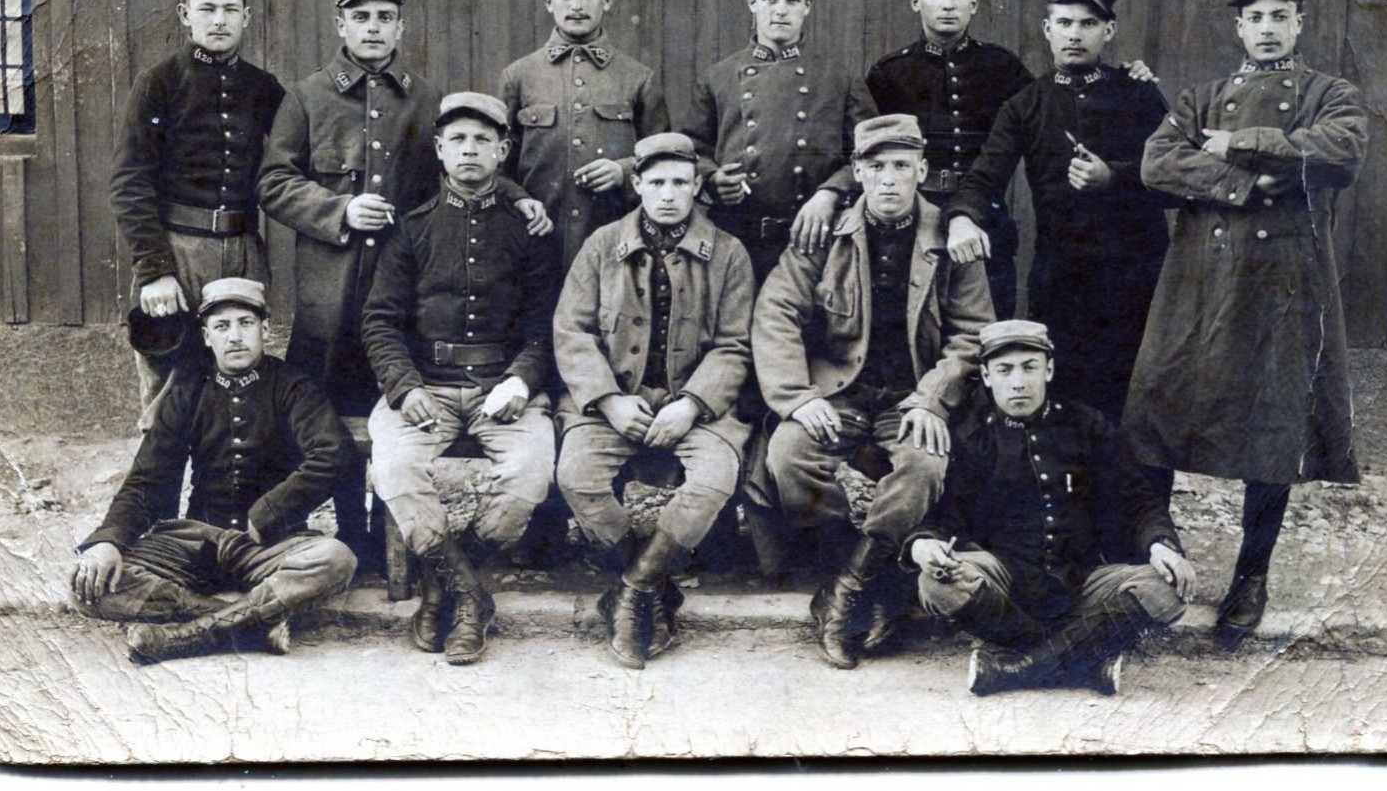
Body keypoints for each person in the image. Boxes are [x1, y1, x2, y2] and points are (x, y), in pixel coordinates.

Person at [257, 0, 547, 565]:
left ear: (400, 26)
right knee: (330, 421)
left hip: (407, 297)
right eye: (359, 17)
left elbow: (467, 168)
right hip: (330, 294)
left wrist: (519, 198)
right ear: (340, 24)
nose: (372, 29)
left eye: (383, 18)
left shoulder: (427, 98)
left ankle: (396, 538)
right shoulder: (308, 97)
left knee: (390, 411)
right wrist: (338, 208)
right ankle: (350, 534)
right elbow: (273, 181)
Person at [1124, 0, 1368, 642]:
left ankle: (1250, 576)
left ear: (1297, 22)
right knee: (1155, 402)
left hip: (1282, 280)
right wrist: (1250, 183)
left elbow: (1340, 152)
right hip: (1200, 276)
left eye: (1277, 15)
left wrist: (1239, 142)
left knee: (1272, 426)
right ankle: (1157, 550)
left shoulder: (1329, 93)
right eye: (1253, 16)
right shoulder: (1201, 97)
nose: (1265, 28)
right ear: (1236, 25)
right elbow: (1156, 163)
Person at [750, 114, 994, 669]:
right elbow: (776, 313)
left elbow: (971, 335)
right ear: (857, 171)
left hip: (914, 395)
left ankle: (846, 592)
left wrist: (933, 397)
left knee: (925, 467)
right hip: (839, 387)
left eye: (902, 167)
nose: (889, 180)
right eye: (876, 166)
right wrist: (799, 396)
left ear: (923, 171)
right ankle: (855, 570)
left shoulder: (951, 238)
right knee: (789, 457)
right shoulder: (824, 232)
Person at [361, 92, 561, 665]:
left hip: (504, 385)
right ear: (440, 151)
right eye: (458, 140)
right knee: (396, 467)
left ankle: (441, 584)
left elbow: (548, 323)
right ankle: (470, 596)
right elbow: (380, 320)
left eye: (482, 140)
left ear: (502, 150)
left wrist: (522, 380)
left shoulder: (529, 229)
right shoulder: (415, 227)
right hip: (426, 383)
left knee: (527, 478)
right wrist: (405, 387)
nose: (470, 150)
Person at [69, 278, 358, 664]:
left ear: (265, 331)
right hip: (197, 542)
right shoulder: (189, 388)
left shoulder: (292, 386)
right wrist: (109, 541)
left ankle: (184, 636)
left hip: (268, 545)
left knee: (335, 558)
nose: (235, 336)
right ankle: (240, 621)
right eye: (222, 327)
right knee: (87, 585)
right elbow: (149, 476)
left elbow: (333, 453)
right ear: (206, 336)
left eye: (246, 323)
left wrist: (268, 514)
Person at [905, 320, 1194, 696]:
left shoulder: (1087, 425)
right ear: (988, 377)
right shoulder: (971, 436)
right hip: (1005, 589)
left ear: (1050, 369)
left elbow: (1137, 498)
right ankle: (1083, 659)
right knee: (935, 584)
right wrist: (923, 545)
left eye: (1030, 367)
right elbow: (942, 518)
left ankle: (1018, 667)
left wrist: (1160, 544)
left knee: (1169, 588)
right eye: (1005, 370)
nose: (1019, 382)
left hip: (1085, 586)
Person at [553, 133, 754, 668]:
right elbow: (571, 332)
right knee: (577, 474)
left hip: (698, 408)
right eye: (657, 182)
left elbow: (736, 344)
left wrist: (691, 404)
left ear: (697, 187)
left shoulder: (729, 253)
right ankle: (652, 585)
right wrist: (608, 401)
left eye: (680, 183)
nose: (668, 194)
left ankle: (636, 589)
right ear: (637, 184)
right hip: (614, 402)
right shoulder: (601, 246)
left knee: (713, 478)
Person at [944, 0, 1172, 420]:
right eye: (1064, 23)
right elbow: (983, 178)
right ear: (1047, 30)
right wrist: (962, 218)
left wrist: (1115, 178)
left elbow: (1180, 180)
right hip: (1065, 277)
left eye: (1088, 24)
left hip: (1139, 274)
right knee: (1067, 402)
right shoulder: (1026, 105)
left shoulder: (1138, 93)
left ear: (1108, 31)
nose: (1074, 34)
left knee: (1139, 405)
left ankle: (1137, 493)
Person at [109, 0, 284, 429]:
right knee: (169, 392)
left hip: (244, 251)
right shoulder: (159, 84)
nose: (219, 20)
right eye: (208, 9)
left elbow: (293, 166)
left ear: (247, 16)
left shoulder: (264, 89)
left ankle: (232, 498)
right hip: (177, 253)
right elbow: (130, 181)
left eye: (230, 9)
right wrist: (154, 271)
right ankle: (159, 500)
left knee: (243, 380)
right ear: (186, 15)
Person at [681, 0, 878, 280]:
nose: (781, 10)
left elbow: (869, 152)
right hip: (736, 236)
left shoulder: (838, 78)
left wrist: (830, 193)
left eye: (792, 0)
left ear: (807, 7)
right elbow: (691, 150)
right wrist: (714, 180)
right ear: (752, 3)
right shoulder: (719, 77)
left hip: (813, 235)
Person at [864, 0, 1032, 316]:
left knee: (989, 323)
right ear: (915, 1)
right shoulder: (890, 73)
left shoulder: (1002, 66)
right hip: (912, 216)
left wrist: (1125, 75)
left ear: (974, 4)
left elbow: (1047, 111)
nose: (947, 5)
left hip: (985, 218)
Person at [497, 0, 668, 272]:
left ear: (607, 0)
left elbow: (664, 162)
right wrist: (521, 201)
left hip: (615, 240)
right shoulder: (518, 76)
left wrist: (625, 171)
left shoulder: (638, 78)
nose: (576, 5)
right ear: (548, 2)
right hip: (536, 243)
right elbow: (499, 166)